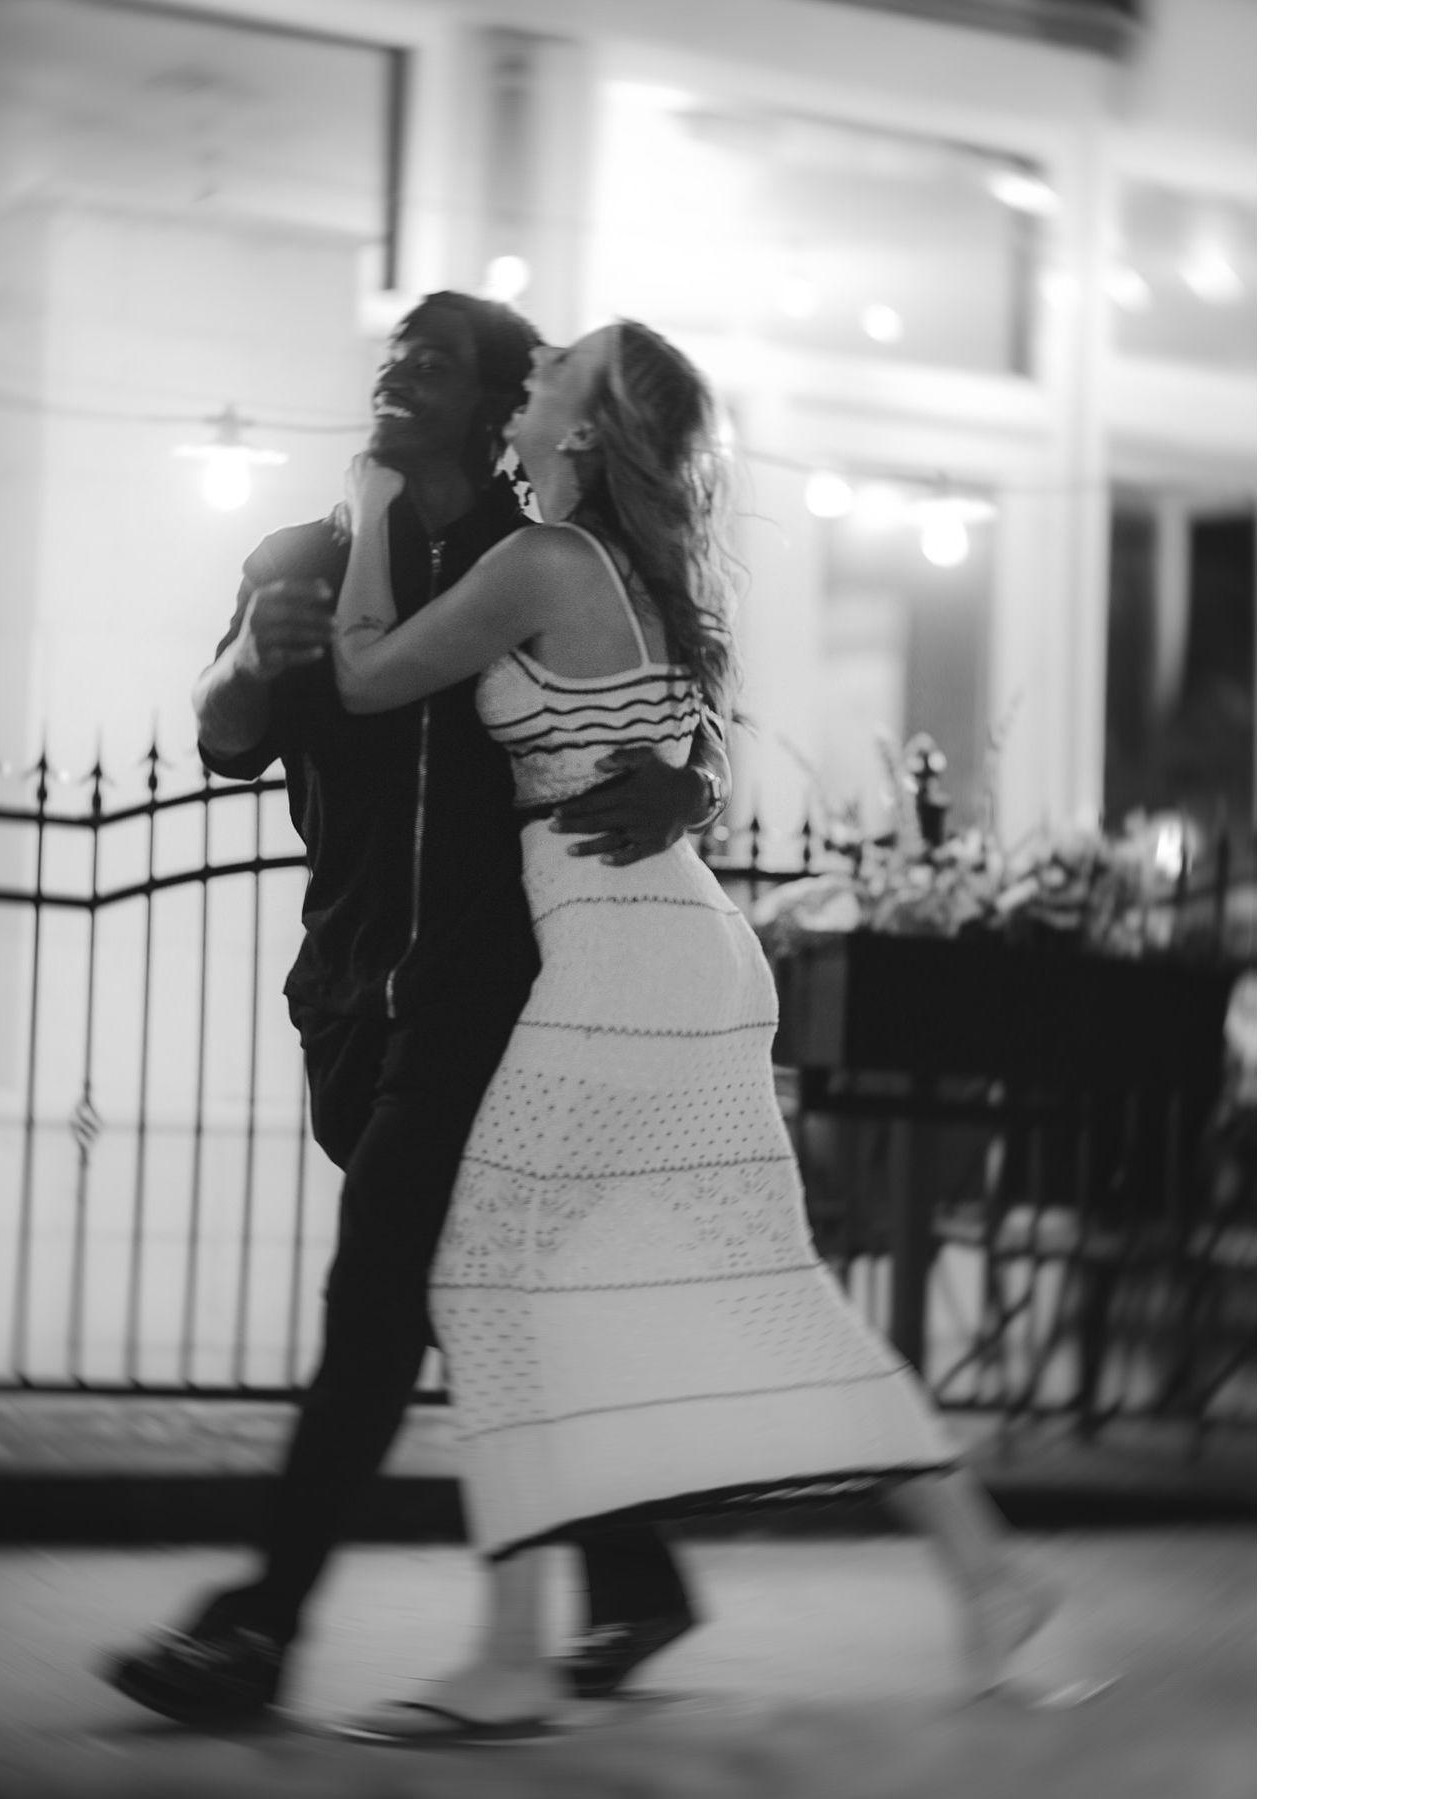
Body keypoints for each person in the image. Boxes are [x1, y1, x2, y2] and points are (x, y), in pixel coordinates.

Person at [325, 320, 1070, 1742]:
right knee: (755, 1287)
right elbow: (679, 744)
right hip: (677, 951)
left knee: (485, 1278)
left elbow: (366, 674)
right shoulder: (628, 569)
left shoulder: (550, 562)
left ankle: (512, 1656)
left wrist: (367, 506)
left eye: (564, 366)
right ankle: (990, 1571)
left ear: (586, 427)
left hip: (625, 958)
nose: (538, 367)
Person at [101, 294, 728, 1729]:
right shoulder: (302, 558)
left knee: (379, 1301)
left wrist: (692, 785)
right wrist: (253, 659)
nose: (396, 376)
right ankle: (636, 1577)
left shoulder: (538, 553)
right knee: (471, 1296)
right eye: (394, 356)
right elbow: (223, 737)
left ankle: (259, 1626)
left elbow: (672, 696)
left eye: (434, 363)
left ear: (501, 404)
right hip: (347, 989)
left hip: (497, 991)